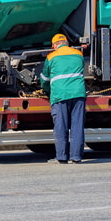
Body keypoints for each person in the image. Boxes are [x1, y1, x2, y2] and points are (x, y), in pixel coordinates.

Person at [40, 33, 86, 164]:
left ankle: (61, 157)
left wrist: (46, 91)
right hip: (78, 94)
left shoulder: (51, 57)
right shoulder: (78, 54)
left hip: (60, 95)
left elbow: (45, 79)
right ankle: (76, 157)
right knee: (77, 126)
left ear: (54, 45)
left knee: (61, 126)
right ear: (67, 43)